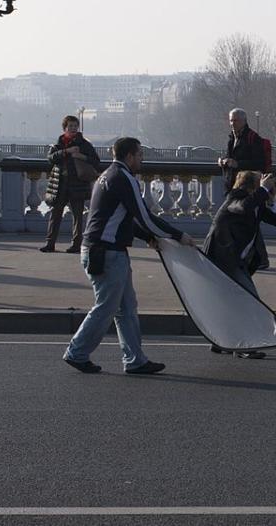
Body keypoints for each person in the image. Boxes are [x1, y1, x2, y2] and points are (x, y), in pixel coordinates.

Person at [63, 137, 196, 375]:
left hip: (103, 250)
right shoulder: (125, 178)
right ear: (129, 156)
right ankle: (77, 352)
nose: (142, 159)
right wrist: (178, 236)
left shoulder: (106, 176)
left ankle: (135, 360)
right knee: (106, 308)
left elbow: (121, 217)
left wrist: (147, 238)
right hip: (107, 252)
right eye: (140, 155)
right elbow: (144, 216)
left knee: (125, 307)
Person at [202, 171, 276, 359]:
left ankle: (221, 342)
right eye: (261, 183)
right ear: (251, 187)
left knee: (231, 302)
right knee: (249, 301)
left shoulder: (256, 202)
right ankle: (244, 347)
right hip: (223, 258)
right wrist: (263, 190)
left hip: (235, 260)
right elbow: (243, 208)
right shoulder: (235, 198)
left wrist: (271, 198)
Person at [218, 107, 271, 270]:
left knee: (242, 221)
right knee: (240, 221)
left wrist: (237, 164)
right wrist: (224, 162)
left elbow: (259, 163)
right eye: (231, 120)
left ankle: (259, 257)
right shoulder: (231, 138)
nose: (232, 124)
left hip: (246, 187)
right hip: (233, 184)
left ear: (244, 121)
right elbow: (232, 158)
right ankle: (250, 256)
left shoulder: (252, 138)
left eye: (235, 120)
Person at [40, 116, 101, 253]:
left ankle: (76, 244)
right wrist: (66, 152)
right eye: (70, 126)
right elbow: (51, 158)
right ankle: (50, 243)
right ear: (65, 128)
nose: (73, 129)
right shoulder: (59, 144)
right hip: (60, 184)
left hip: (77, 184)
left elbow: (96, 161)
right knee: (55, 214)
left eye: (75, 126)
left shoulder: (84, 144)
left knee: (78, 216)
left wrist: (81, 157)